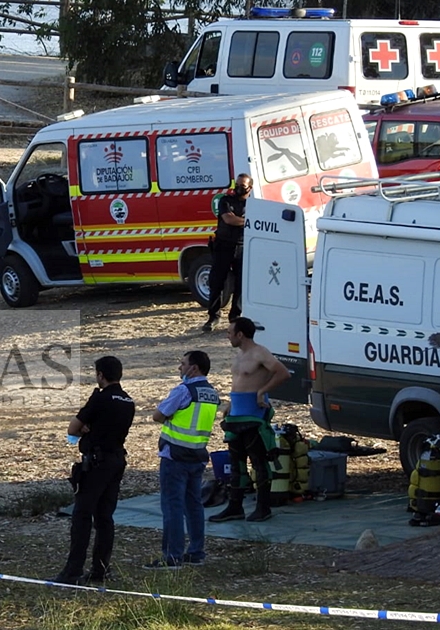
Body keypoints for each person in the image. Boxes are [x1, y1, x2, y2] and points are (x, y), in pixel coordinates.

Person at [50, 356, 135, 586]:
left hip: (96, 463)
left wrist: (87, 431)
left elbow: (73, 428)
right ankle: (100, 569)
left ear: (100, 375)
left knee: (82, 516)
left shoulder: (100, 398)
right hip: (117, 460)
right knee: (105, 518)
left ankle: (73, 570)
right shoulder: (128, 401)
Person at [209, 317, 290, 523]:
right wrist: (229, 403)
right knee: (236, 463)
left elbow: (283, 373)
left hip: (253, 415)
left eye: (229, 332)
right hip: (236, 414)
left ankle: (263, 508)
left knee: (258, 462)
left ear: (240, 334)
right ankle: (235, 507)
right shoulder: (239, 356)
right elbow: (239, 383)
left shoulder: (260, 353)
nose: (227, 336)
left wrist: (263, 391)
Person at [144, 350, 219, 569]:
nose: (180, 368)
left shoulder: (184, 390)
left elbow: (158, 415)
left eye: (182, 364)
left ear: (194, 368)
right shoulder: (212, 393)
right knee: (193, 504)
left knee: (172, 506)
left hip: (175, 455)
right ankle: (196, 552)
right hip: (197, 455)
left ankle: (172, 556)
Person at [204, 174, 253, 332]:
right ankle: (213, 317)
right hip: (223, 246)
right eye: (236, 184)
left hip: (243, 246)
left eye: (242, 185)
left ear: (250, 188)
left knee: (241, 284)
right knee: (216, 282)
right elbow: (229, 219)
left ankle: (235, 316)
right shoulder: (226, 201)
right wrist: (249, 221)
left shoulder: (253, 205)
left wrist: (247, 220)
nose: (238, 188)